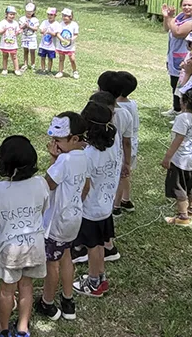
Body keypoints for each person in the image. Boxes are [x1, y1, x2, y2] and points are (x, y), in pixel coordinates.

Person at [0, 135, 48, 337]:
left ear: (3, 163)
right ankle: (22, 329)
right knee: (26, 287)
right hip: (35, 244)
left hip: (10, 249)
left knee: (7, 291)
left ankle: (2, 328)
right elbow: (44, 208)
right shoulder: (41, 183)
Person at [38, 113, 88, 321]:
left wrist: (53, 159)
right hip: (74, 218)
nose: (54, 145)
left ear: (74, 139)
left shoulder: (65, 160)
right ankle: (68, 300)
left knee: (52, 263)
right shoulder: (84, 156)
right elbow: (85, 185)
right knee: (66, 256)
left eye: (58, 141)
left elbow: (48, 184)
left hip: (56, 222)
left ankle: (47, 303)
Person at [72, 101, 118, 297]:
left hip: (90, 209)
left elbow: (85, 185)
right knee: (99, 244)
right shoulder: (112, 145)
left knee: (92, 247)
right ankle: (101, 278)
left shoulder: (88, 155)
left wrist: (76, 203)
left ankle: (93, 283)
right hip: (105, 205)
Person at [161, 84, 192, 226]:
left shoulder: (183, 118)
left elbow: (178, 139)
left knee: (179, 187)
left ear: (185, 102)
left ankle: (182, 217)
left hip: (180, 160)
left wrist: (167, 157)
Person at [97, 72, 134, 222]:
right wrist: (127, 162)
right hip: (115, 157)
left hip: (96, 155)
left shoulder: (94, 109)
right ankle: (115, 206)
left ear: (99, 89)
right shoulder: (125, 114)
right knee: (116, 180)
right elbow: (127, 142)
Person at [162, 0, 192, 117]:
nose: (187, 7)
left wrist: (171, 18)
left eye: (189, 5)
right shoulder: (181, 16)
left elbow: (177, 32)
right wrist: (167, 18)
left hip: (187, 56)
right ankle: (176, 108)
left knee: (185, 84)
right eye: (184, 5)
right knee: (175, 82)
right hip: (174, 54)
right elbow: (167, 28)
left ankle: (185, 111)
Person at [114, 72, 140, 214]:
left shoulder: (120, 110)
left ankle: (116, 206)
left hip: (124, 146)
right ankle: (126, 200)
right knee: (125, 174)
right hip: (132, 143)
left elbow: (124, 138)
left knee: (120, 175)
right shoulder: (133, 103)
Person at [55, 8, 79, 79]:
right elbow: (58, 33)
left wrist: (71, 39)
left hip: (70, 46)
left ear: (70, 17)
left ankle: (75, 71)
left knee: (72, 59)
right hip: (61, 45)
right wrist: (62, 39)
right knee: (61, 58)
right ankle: (60, 71)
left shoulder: (74, 25)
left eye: (66, 16)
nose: (64, 17)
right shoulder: (60, 24)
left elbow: (76, 34)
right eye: (63, 16)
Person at [0, 6, 22, 76]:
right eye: (10, 14)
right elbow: (0, 32)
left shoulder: (15, 23)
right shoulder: (3, 22)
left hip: (13, 44)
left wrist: (19, 32)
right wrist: (4, 30)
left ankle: (17, 69)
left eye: (13, 14)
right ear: (6, 14)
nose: (12, 16)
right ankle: (5, 69)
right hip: (5, 43)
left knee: (14, 56)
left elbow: (16, 33)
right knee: (5, 56)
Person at [37, 7, 59, 75]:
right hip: (43, 45)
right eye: (48, 14)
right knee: (42, 57)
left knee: (50, 58)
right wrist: (43, 31)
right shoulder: (44, 22)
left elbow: (55, 34)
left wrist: (49, 32)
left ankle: (49, 70)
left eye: (51, 15)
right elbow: (41, 30)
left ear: (55, 15)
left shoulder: (56, 24)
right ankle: (43, 69)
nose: (50, 16)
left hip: (51, 46)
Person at [19, 3, 40, 71]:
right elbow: (20, 27)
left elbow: (36, 29)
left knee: (32, 51)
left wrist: (29, 26)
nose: (29, 13)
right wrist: (24, 25)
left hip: (32, 37)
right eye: (27, 11)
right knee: (25, 50)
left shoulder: (35, 20)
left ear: (33, 12)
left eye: (30, 11)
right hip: (25, 36)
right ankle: (25, 64)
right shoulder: (22, 19)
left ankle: (33, 64)